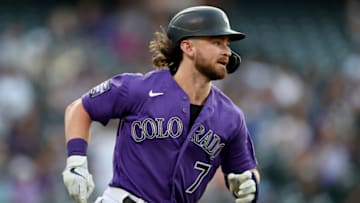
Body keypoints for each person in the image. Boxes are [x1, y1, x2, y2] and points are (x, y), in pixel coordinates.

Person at [62, 5, 260, 203]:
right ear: (188, 47)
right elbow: (80, 108)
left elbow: (246, 168)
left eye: (227, 44)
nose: (227, 51)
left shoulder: (231, 116)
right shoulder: (138, 88)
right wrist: (76, 160)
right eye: (217, 42)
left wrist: (250, 182)